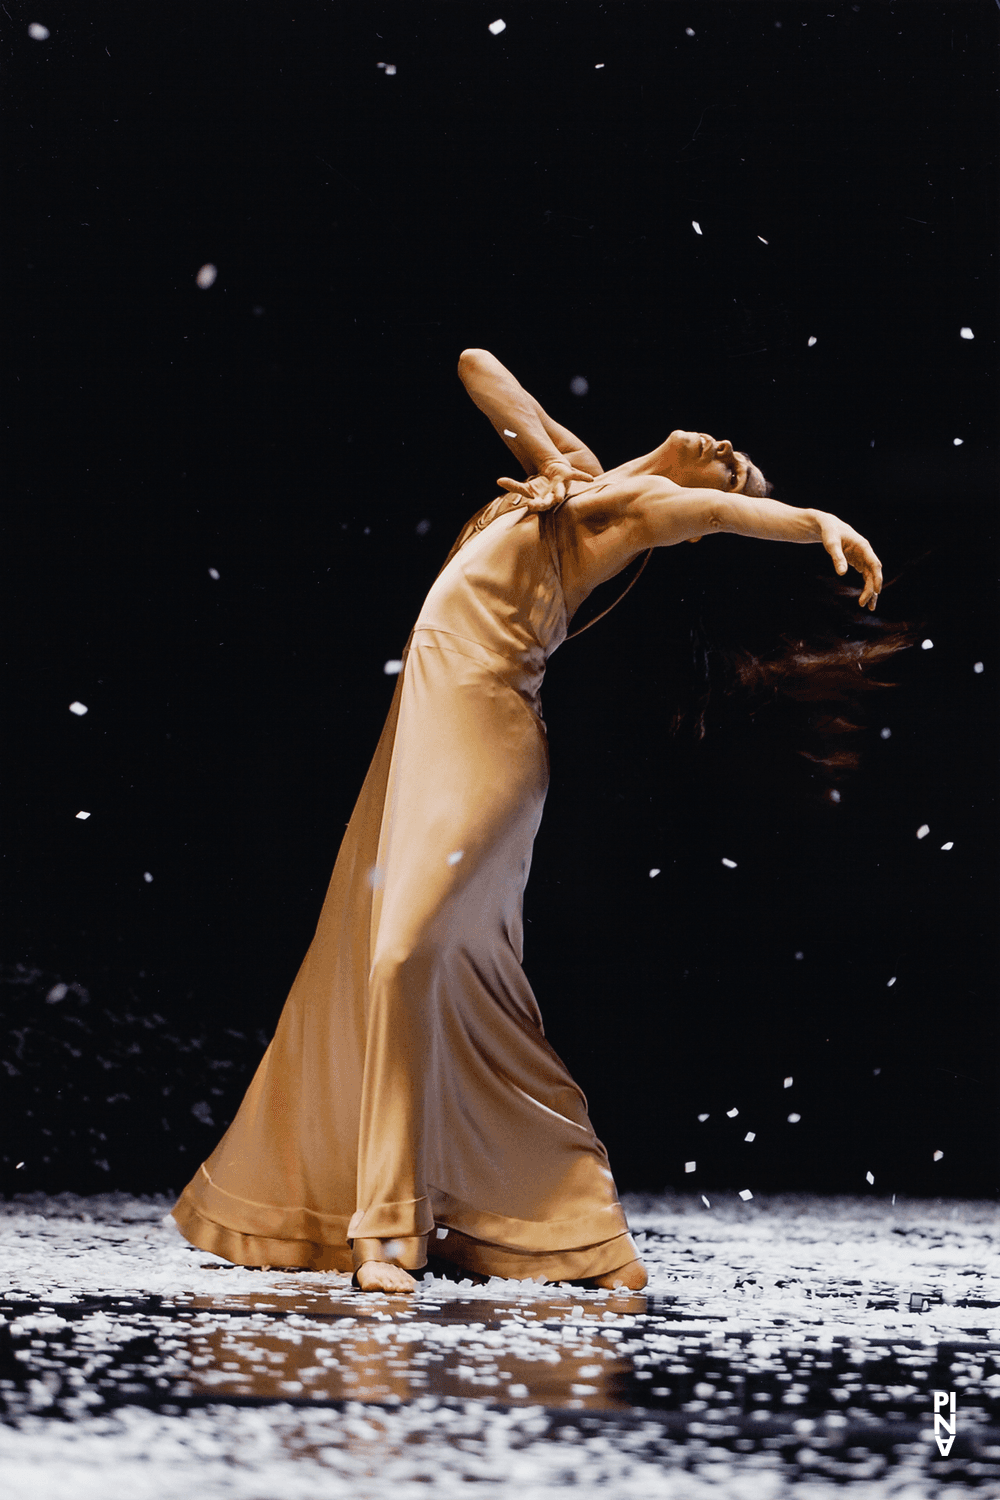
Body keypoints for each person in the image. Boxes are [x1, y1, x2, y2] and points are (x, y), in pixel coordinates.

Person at [171, 349, 882, 1294]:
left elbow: (711, 511)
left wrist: (805, 520)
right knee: (428, 968)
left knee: (405, 957)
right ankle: (566, 1219)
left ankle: (389, 1229)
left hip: (484, 736)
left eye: (729, 458)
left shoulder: (637, 516)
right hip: (426, 730)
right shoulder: (577, 480)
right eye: (724, 449)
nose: (719, 451)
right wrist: (549, 454)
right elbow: (476, 365)